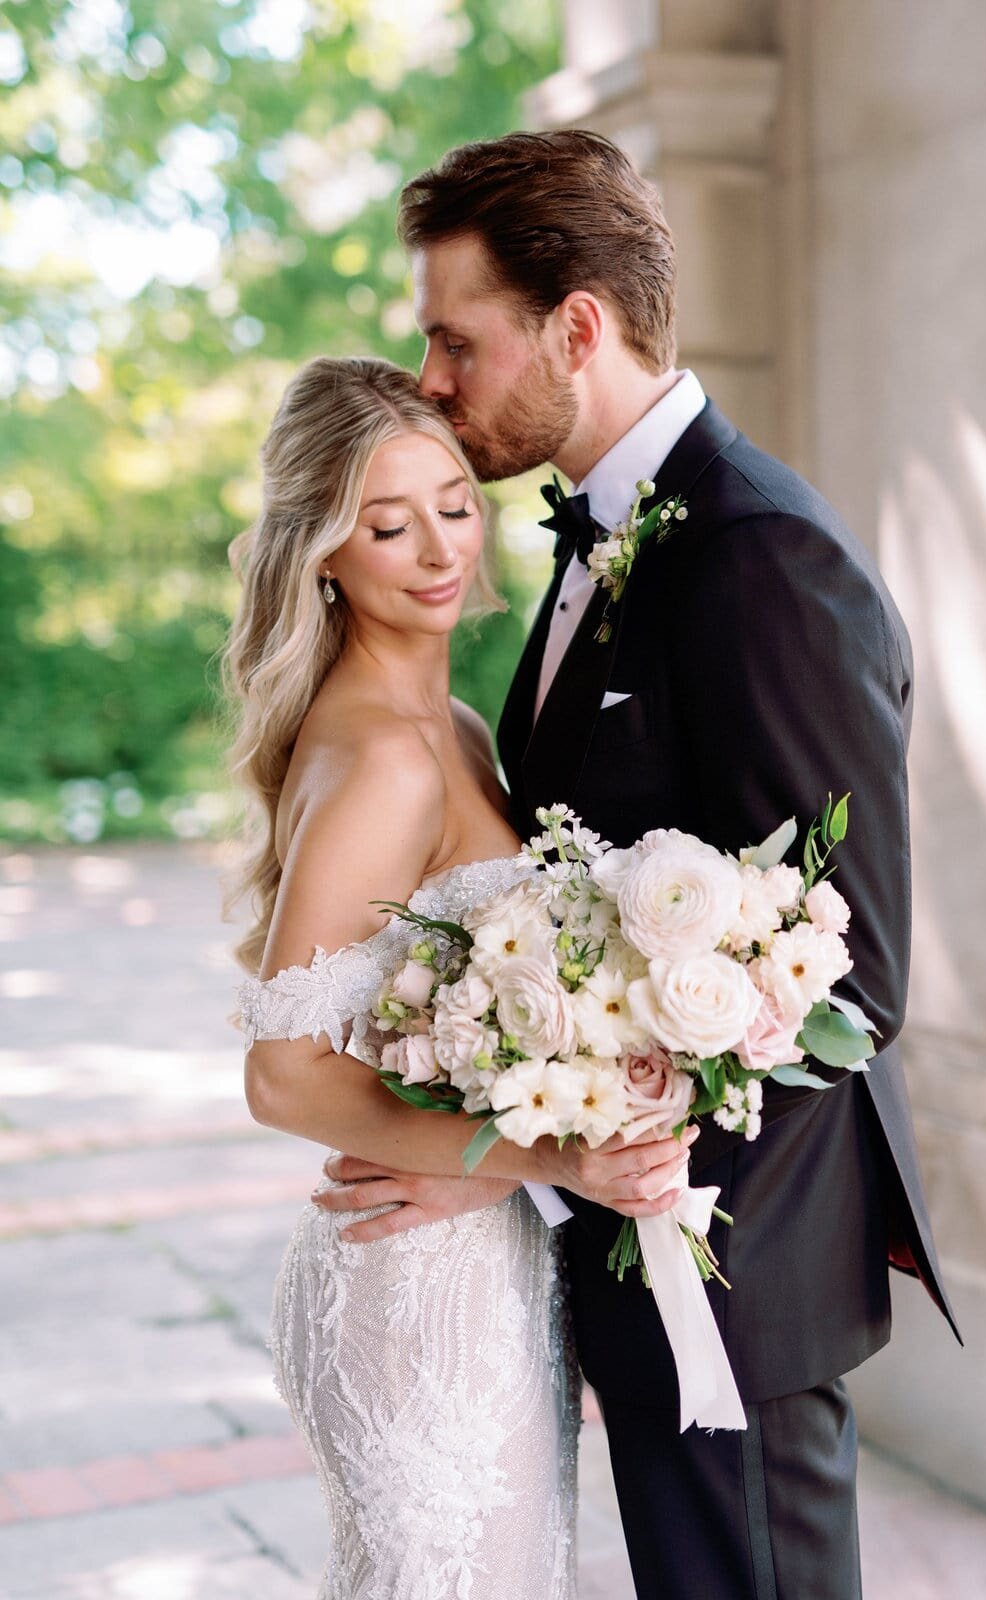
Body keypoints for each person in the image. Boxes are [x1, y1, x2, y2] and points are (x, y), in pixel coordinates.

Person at [314, 130, 962, 1599]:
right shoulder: (602, 537)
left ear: (578, 326)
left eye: (454, 338)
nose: (428, 376)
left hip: (730, 1267)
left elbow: (845, 959)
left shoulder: (761, 557)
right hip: (639, 1250)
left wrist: (529, 1163)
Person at [228, 354, 697, 1600]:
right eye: (387, 524)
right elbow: (281, 1076)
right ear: (324, 552)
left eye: (452, 503)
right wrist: (550, 1158)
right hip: (417, 1291)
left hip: (482, 1256)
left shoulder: (461, 730)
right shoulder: (385, 752)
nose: (437, 548)